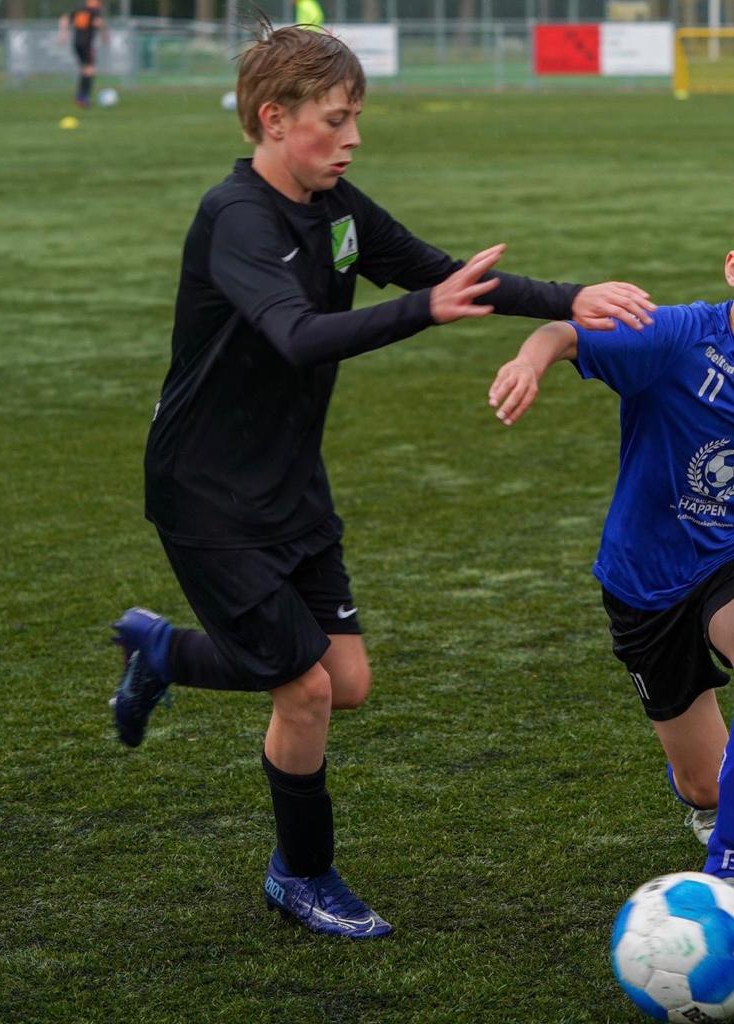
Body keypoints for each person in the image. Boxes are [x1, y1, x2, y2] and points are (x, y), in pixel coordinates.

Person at [111, 22, 655, 940]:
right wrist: (421, 312)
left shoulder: (338, 208)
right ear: (274, 119)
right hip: (207, 495)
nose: (352, 137)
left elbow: (444, 275)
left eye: (355, 116)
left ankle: (162, 653)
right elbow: (295, 334)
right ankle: (302, 874)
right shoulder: (235, 218)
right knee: (305, 688)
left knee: (346, 679)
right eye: (336, 119)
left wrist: (572, 301)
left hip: (289, 483)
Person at [487, 254, 734, 853]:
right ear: (732, 268)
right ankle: (709, 808)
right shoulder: (679, 337)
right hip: (645, 578)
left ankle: (724, 863)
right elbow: (564, 333)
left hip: (726, 560)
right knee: (707, 787)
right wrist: (527, 362)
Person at [58, 0, 106, 109]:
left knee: (84, 69)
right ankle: (83, 97)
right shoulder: (94, 10)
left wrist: (62, 33)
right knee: (90, 70)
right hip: (87, 43)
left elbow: (64, 18)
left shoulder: (79, 9)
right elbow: (98, 23)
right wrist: (104, 34)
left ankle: (80, 96)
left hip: (77, 43)